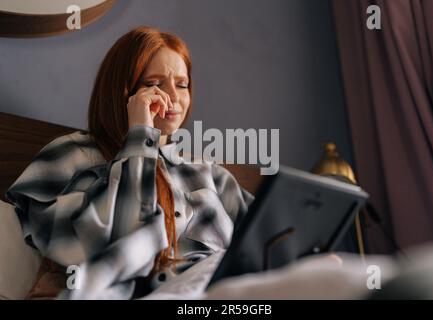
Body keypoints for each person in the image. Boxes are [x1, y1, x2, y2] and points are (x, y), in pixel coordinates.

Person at [6, 26, 254, 299]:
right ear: (123, 93)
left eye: (182, 85)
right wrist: (140, 140)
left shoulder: (211, 176)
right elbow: (110, 254)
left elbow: (273, 244)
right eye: (154, 83)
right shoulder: (71, 155)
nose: (173, 95)